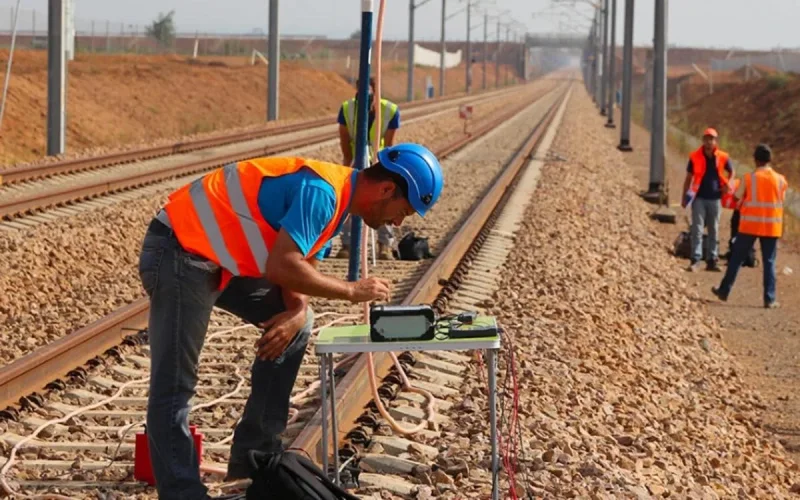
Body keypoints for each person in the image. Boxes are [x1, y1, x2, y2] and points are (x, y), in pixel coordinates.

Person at [137, 143, 444, 499]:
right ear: (387, 189)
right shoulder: (322, 193)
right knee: (175, 384)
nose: (397, 222)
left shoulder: (337, 206)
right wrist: (350, 290)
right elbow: (282, 266)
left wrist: (296, 313)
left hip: (218, 260)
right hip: (179, 251)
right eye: (402, 211)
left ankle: (255, 462)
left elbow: (300, 270)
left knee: (298, 326)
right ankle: (183, 493)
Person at [712, 144, 787, 308]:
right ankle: (770, 299)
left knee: (736, 259)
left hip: (750, 225)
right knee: (769, 262)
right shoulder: (781, 180)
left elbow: (737, 198)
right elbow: (781, 200)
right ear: (770, 160)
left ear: (755, 160)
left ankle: (724, 291)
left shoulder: (749, 178)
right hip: (771, 227)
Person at [336, 77, 401, 260]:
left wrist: (386, 168)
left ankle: (384, 246)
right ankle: (347, 245)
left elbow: (389, 143)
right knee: (350, 199)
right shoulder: (348, 108)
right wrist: (347, 165)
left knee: (386, 199)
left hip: (380, 160)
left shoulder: (390, 110)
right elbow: (344, 140)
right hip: (356, 160)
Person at [681, 127, 735, 272]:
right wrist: (684, 196)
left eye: (711, 139)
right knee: (697, 229)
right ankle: (696, 260)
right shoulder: (695, 157)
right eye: (706, 139)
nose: (709, 142)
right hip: (698, 198)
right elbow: (688, 178)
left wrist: (728, 185)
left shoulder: (722, 157)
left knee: (714, 230)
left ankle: (712, 260)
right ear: (703, 141)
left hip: (715, 199)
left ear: (715, 141)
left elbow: (732, 171)